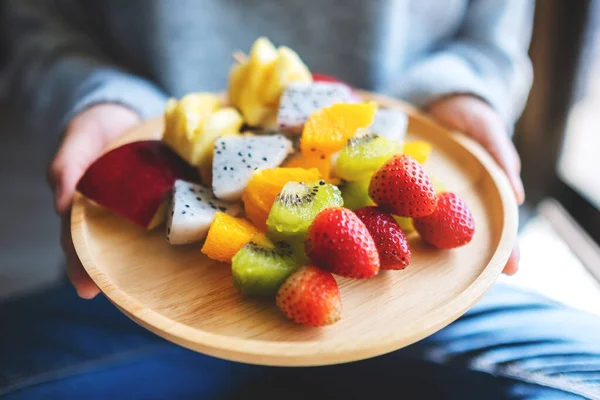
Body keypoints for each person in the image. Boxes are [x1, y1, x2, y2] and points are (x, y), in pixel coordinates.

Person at [0, 0, 599, 398]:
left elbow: (488, 36)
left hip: (411, 314)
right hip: (152, 300)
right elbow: (35, 19)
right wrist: (100, 98)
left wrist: (464, 91)